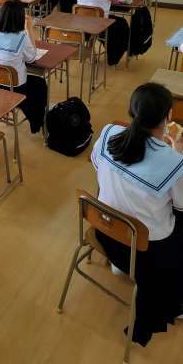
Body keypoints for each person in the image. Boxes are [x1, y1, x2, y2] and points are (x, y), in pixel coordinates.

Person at [91, 83, 183, 346]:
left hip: (106, 231)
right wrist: (176, 155)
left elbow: (97, 166)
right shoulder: (174, 162)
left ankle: (120, 265)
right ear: (167, 118)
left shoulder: (108, 132)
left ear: (132, 111)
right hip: (148, 252)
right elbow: (181, 207)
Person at [0, 0, 46, 134]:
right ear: (20, 19)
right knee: (40, 84)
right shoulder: (21, 38)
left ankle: (27, 110)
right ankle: (36, 121)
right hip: (15, 87)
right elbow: (31, 58)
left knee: (30, 84)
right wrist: (29, 28)